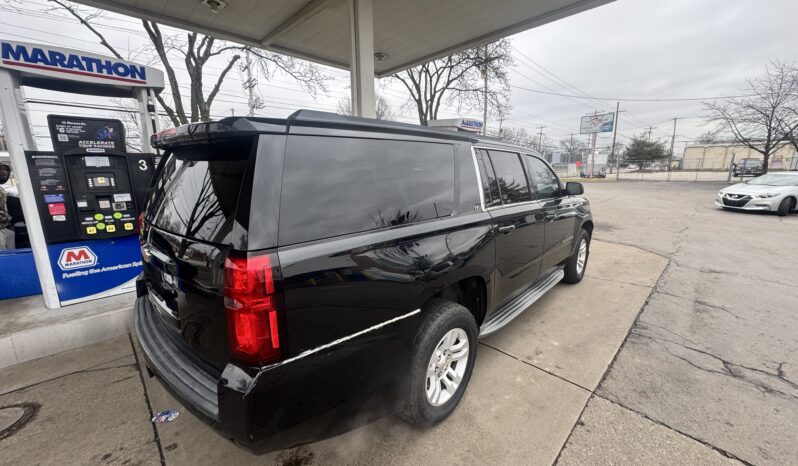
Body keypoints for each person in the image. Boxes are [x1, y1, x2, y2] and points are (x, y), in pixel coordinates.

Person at [0, 162, 15, 249]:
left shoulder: (2, 190)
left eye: (6, 170)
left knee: (12, 257)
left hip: (5, 228)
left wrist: (9, 225)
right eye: (1, 169)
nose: (4, 172)